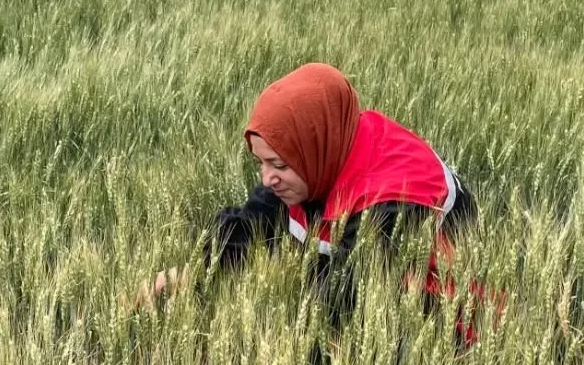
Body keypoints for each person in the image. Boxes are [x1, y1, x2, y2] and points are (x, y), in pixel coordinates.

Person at [147, 63, 494, 339]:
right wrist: (196, 271)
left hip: (447, 332)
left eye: (279, 164)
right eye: (261, 163)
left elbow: (346, 294)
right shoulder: (327, 149)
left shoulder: (393, 201)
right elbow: (261, 216)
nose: (268, 177)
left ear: (315, 147)